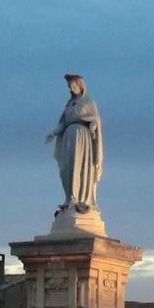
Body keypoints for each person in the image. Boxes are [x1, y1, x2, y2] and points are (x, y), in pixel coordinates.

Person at [45, 74, 103, 214]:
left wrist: (92, 128)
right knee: (67, 167)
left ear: (80, 85)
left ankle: (81, 198)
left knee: (80, 166)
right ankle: (70, 198)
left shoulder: (89, 102)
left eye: (72, 85)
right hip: (69, 138)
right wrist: (53, 133)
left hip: (82, 137)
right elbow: (63, 123)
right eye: (69, 86)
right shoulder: (70, 105)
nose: (71, 88)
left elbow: (94, 119)